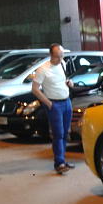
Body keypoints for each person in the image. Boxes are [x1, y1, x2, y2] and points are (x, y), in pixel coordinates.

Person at [32, 44, 74, 174]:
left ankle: (63, 160)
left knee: (65, 133)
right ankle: (59, 162)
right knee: (58, 134)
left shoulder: (63, 64)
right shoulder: (42, 70)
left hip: (67, 102)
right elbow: (34, 89)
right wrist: (48, 103)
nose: (60, 59)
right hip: (54, 104)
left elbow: (63, 80)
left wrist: (70, 83)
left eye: (62, 56)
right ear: (51, 55)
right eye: (57, 57)